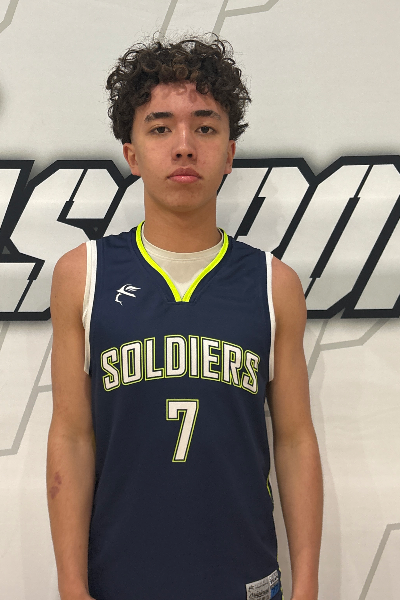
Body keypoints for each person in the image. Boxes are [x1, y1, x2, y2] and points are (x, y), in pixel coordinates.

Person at [47, 34, 323, 600]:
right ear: (131, 155)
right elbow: (72, 437)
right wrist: (71, 585)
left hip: (244, 578)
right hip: (119, 579)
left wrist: (309, 585)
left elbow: (295, 441)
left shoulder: (274, 284)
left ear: (230, 152)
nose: (183, 147)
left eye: (204, 127)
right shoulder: (83, 274)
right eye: (159, 128)